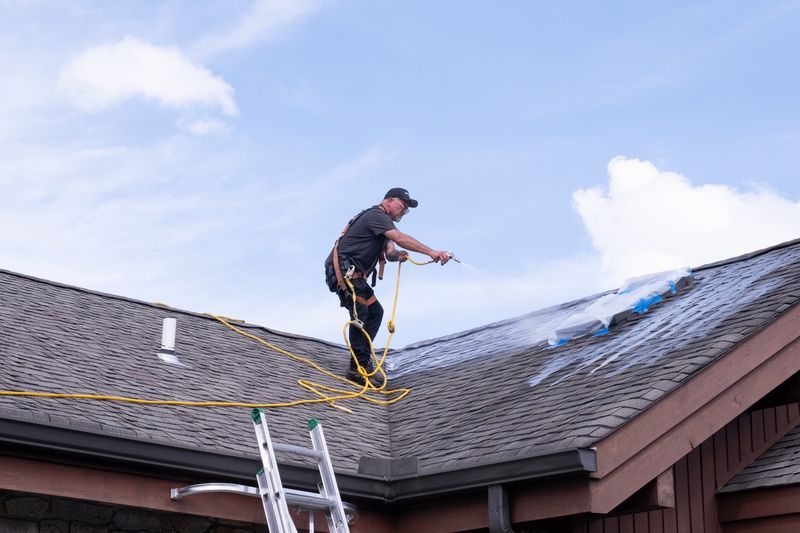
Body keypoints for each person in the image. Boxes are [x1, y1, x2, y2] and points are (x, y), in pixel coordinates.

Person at [325, 187, 451, 385]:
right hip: (344, 271)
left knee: (376, 312)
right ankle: (356, 368)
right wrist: (431, 252)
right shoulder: (376, 215)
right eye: (403, 206)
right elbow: (400, 238)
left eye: (407, 210)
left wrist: (397, 256)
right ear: (389, 201)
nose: (404, 211)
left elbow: (391, 250)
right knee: (362, 313)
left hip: (354, 275)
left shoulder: (383, 225)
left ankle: (362, 362)